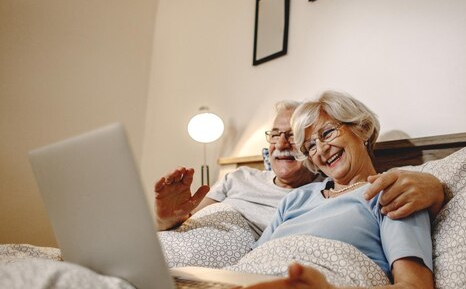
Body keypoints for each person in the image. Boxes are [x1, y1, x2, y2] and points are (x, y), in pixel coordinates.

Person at [209, 91, 437, 289]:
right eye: (310, 147)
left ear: (362, 128)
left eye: (327, 133)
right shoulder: (296, 198)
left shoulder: (392, 191)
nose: (321, 150)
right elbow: (254, 261)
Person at [155, 100, 445, 235]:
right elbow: (183, 221)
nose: (282, 143)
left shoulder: (319, 191)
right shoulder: (239, 177)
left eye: (294, 137)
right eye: (275, 134)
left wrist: (434, 188)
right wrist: (167, 220)